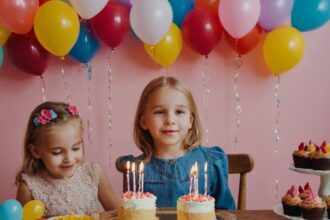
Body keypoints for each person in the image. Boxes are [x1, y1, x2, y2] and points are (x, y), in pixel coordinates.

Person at [123, 76, 236, 210]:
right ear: (144, 121)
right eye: (159, 112)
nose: (170, 120)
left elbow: (227, 213)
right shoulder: (136, 170)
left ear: (190, 120)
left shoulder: (211, 162)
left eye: (179, 112)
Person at [15, 101, 121, 217]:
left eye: (75, 148)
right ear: (35, 151)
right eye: (57, 152)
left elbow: (120, 214)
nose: (69, 159)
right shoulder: (29, 187)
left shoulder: (93, 174)